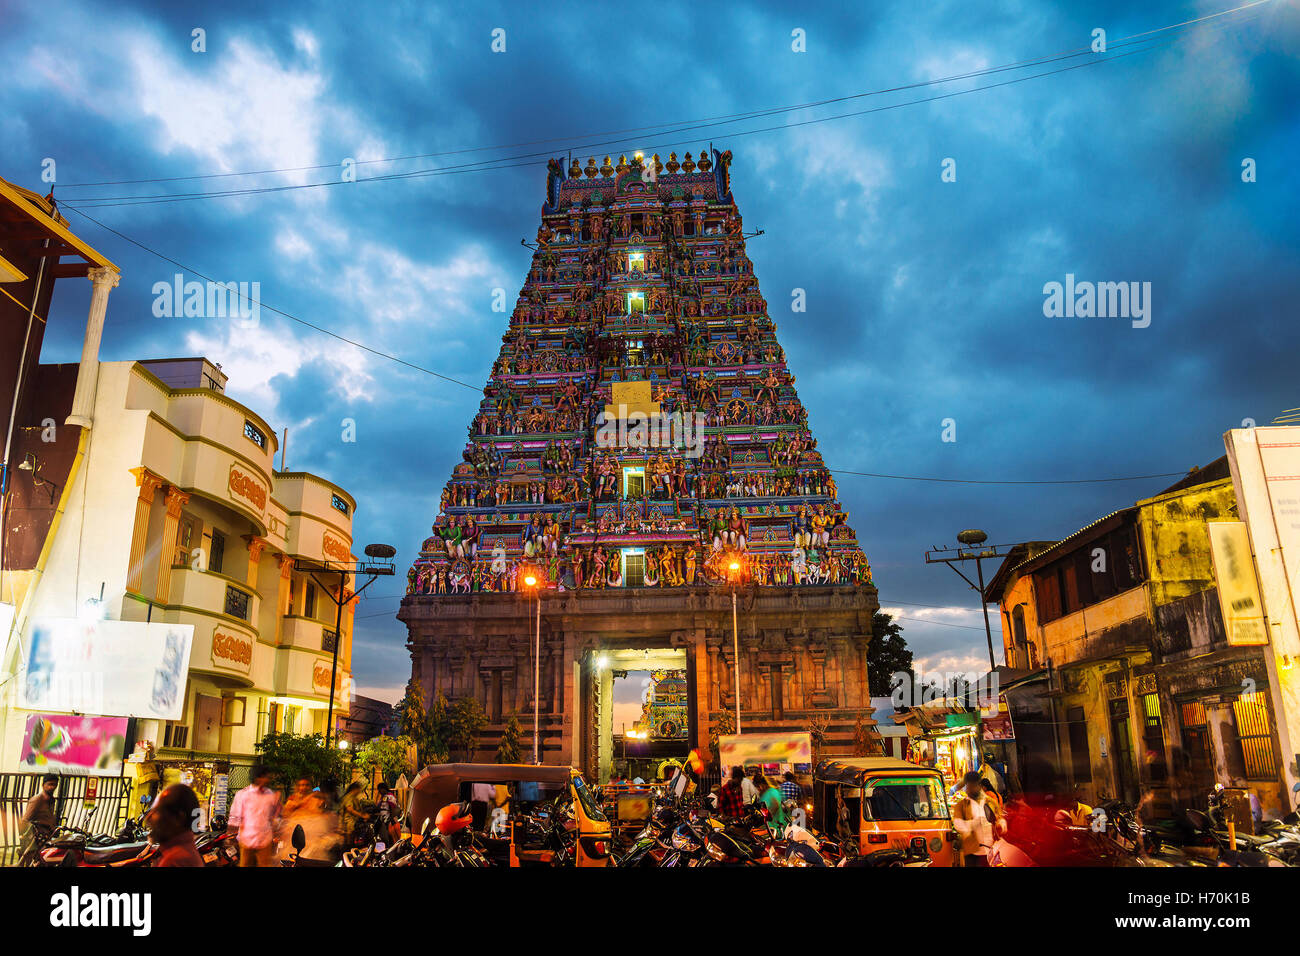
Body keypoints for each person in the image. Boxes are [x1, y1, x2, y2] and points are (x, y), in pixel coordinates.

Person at [228, 765, 282, 867]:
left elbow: (275, 816)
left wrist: (278, 804)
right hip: (246, 840)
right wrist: (231, 837)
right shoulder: (243, 794)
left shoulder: (270, 794)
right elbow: (235, 816)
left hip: (264, 840)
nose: (268, 779)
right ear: (258, 777)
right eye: (266, 776)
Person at [952, 771, 1003, 867]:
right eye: (968, 786)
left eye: (973, 785)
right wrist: (973, 824)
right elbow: (957, 824)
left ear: (979, 785)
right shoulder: (961, 805)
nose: (970, 789)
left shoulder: (990, 802)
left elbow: (999, 818)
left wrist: (1001, 823)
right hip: (972, 852)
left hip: (991, 850)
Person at [147, 784, 204, 867]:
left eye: (157, 811)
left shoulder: (175, 860)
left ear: (178, 818)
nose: (148, 817)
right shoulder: (183, 853)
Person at [18, 774, 59, 862]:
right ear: (43, 784)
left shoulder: (51, 800)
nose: (52, 787)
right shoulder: (37, 800)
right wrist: (23, 839)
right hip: (37, 839)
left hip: (47, 837)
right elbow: (25, 819)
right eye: (50, 784)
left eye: (55, 785)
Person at [340, 781, 368, 847]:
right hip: (349, 822)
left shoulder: (354, 797)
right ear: (355, 789)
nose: (359, 791)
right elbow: (350, 809)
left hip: (352, 822)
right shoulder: (349, 797)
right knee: (349, 842)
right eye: (359, 789)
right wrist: (362, 816)